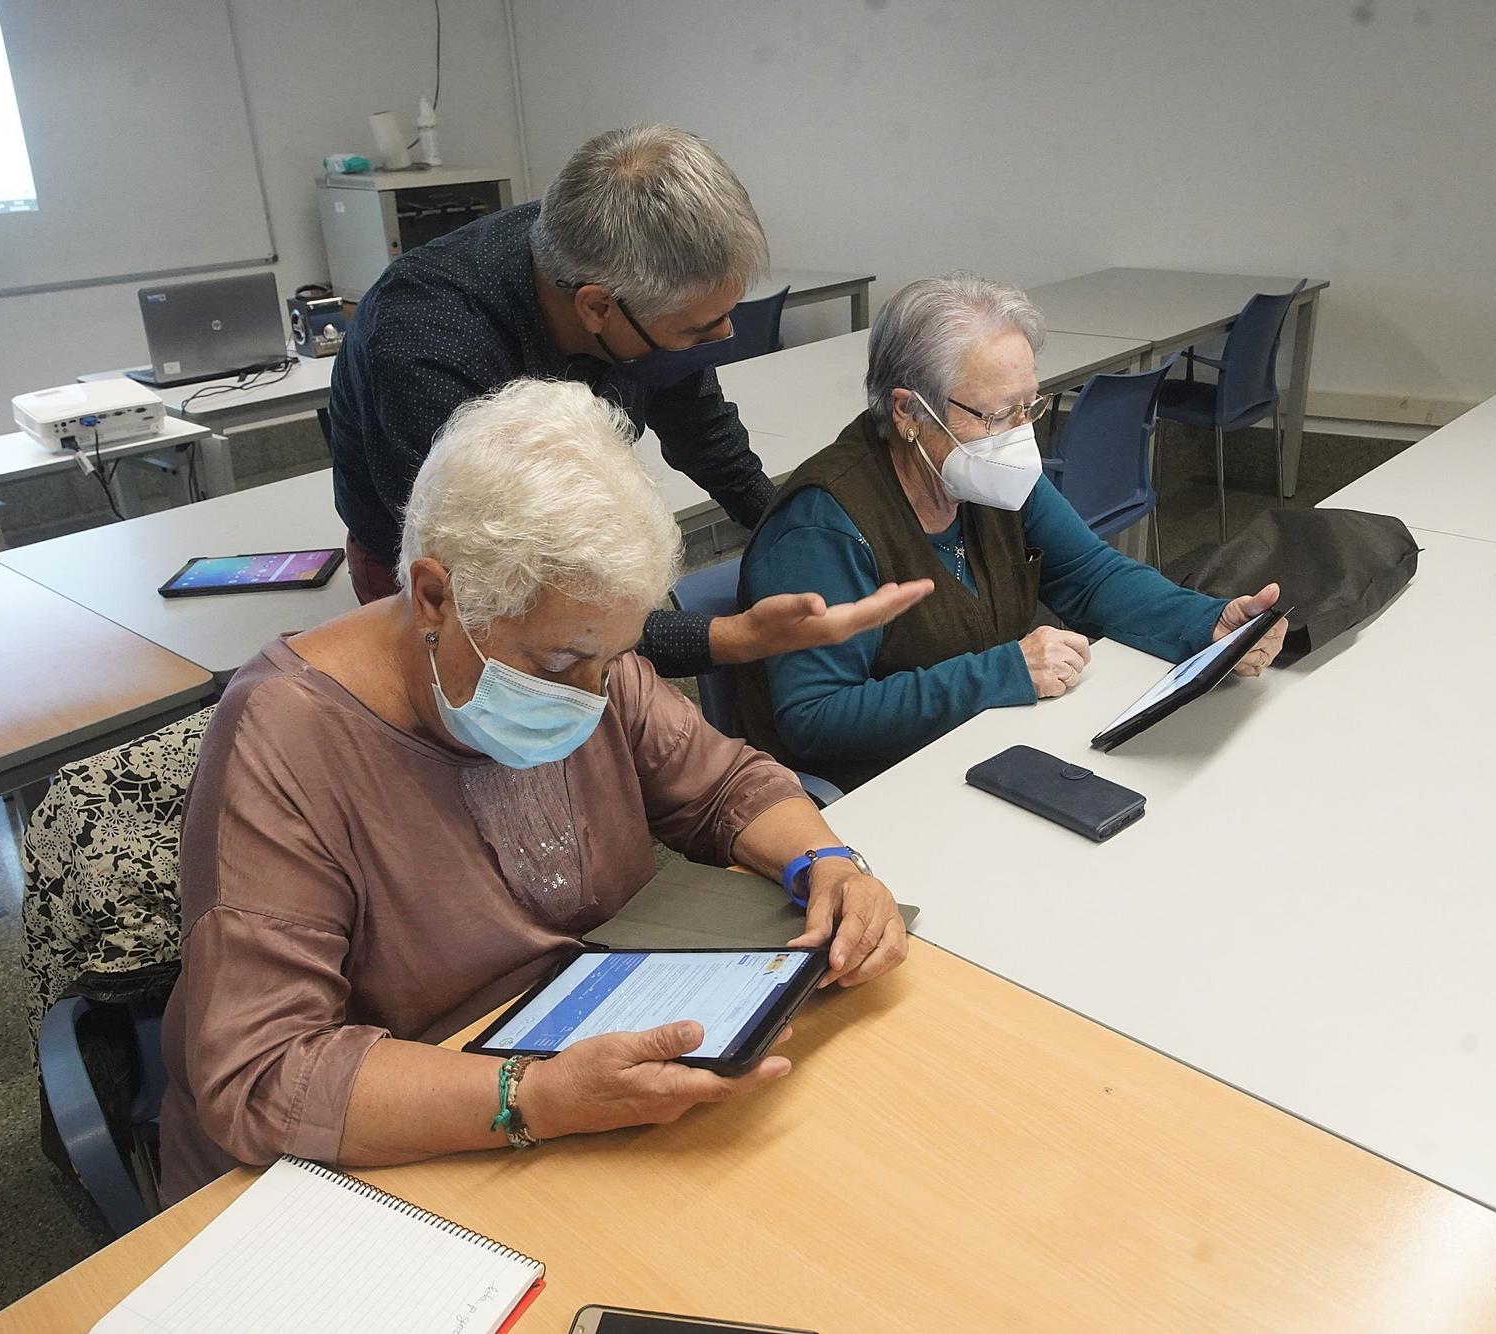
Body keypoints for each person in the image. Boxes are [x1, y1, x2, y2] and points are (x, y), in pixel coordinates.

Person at [159, 378, 908, 1203]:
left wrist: (826, 863)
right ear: (436, 596)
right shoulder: (288, 736)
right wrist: (535, 1099)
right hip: (410, 1133)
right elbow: (266, 1074)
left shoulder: (585, 654)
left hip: (581, 1059)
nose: (593, 694)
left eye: (610, 659)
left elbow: (724, 784)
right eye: (557, 664)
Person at [327, 123, 928, 676]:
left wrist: (795, 534)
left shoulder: (625, 269)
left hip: (540, 552)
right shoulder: (427, 344)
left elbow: (704, 432)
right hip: (447, 576)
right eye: (697, 329)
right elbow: (505, 598)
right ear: (595, 307)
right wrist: (733, 638)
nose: (724, 339)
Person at [734, 275, 1288, 791]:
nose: (1021, 435)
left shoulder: (986, 477)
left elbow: (1091, 577)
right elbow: (815, 719)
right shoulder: (824, 526)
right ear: (908, 411)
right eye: (998, 415)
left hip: (983, 749)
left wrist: (1205, 623)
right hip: (880, 789)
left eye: (1030, 407)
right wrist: (1003, 672)